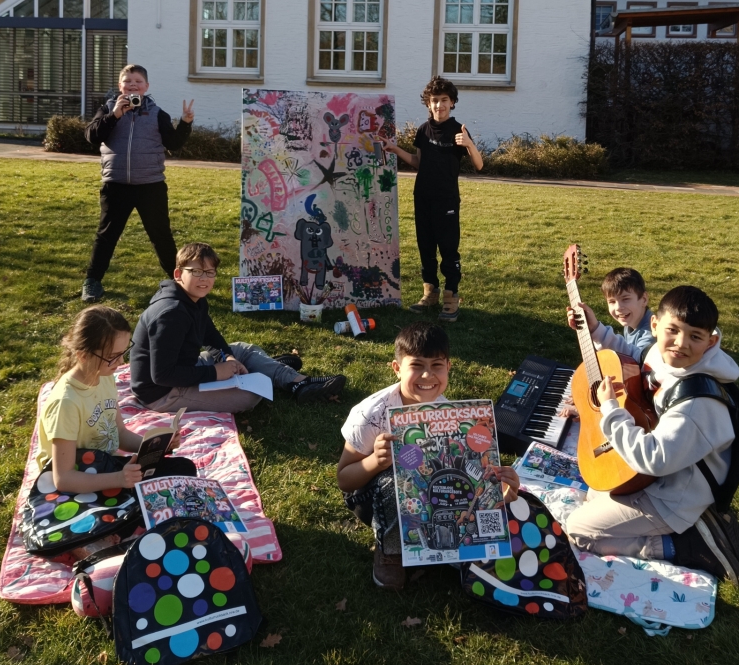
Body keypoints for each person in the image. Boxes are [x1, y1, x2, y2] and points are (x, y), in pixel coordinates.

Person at [565, 286, 739, 586]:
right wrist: (596, 329)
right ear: (654, 326)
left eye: (695, 337)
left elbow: (653, 459)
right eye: (672, 331)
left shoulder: (697, 406)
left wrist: (611, 409)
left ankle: (686, 545)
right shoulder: (668, 357)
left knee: (577, 531)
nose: (680, 343)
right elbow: (639, 362)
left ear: (711, 340)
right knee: (597, 489)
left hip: (674, 495)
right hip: (662, 476)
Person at [337, 322, 519, 589]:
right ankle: (390, 551)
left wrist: (497, 487)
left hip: (428, 497)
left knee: (456, 475)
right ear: (397, 368)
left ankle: (454, 542)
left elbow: (463, 470)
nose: (427, 376)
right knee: (397, 476)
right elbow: (344, 480)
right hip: (370, 497)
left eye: (436, 365)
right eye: (417, 365)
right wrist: (375, 461)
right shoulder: (371, 414)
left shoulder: (449, 413)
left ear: (448, 368)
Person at [130, 242, 346, 413]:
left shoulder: (194, 298)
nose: (204, 279)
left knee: (241, 350)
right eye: (196, 272)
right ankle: (266, 370)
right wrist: (215, 372)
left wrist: (227, 358)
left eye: (210, 273)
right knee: (249, 397)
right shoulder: (171, 314)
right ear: (178, 274)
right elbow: (162, 375)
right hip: (162, 393)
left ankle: (299, 383)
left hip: (184, 367)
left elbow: (210, 334)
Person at [37, 306, 196, 495]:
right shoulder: (66, 403)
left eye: (123, 353)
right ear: (83, 355)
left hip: (106, 464)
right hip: (82, 477)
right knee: (155, 498)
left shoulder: (103, 376)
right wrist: (119, 479)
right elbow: (63, 479)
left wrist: (157, 446)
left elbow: (118, 433)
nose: (121, 363)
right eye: (113, 357)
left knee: (183, 469)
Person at [81, 64, 195, 303]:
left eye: (138, 81)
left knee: (161, 235)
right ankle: (92, 282)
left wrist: (185, 122)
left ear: (146, 87)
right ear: (120, 85)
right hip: (116, 184)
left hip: (150, 185)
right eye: (127, 81)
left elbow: (173, 143)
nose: (133, 85)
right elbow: (92, 136)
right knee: (107, 235)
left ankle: (180, 283)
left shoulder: (157, 113)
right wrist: (115, 115)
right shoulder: (107, 109)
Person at [379, 76, 483, 323]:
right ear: (428, 104)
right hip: (422, 196)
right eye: (434, 101)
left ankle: (451, 297)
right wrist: (395, 150)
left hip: (446, 200)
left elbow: (479, 165)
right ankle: (430, 293)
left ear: (452, 102)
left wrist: (468, 144)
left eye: (444, 100)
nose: (439, 105)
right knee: (425, 247)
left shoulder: (459, 130)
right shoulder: (423, 131)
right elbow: (418, 162)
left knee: (447, 249)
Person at [568, 267, 654, 364]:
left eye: (625, 299)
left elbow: (638, 361)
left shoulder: (653, 332)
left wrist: (596, 329)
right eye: (612, 301)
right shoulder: (632, 322)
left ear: (644, 299)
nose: (618, 307)